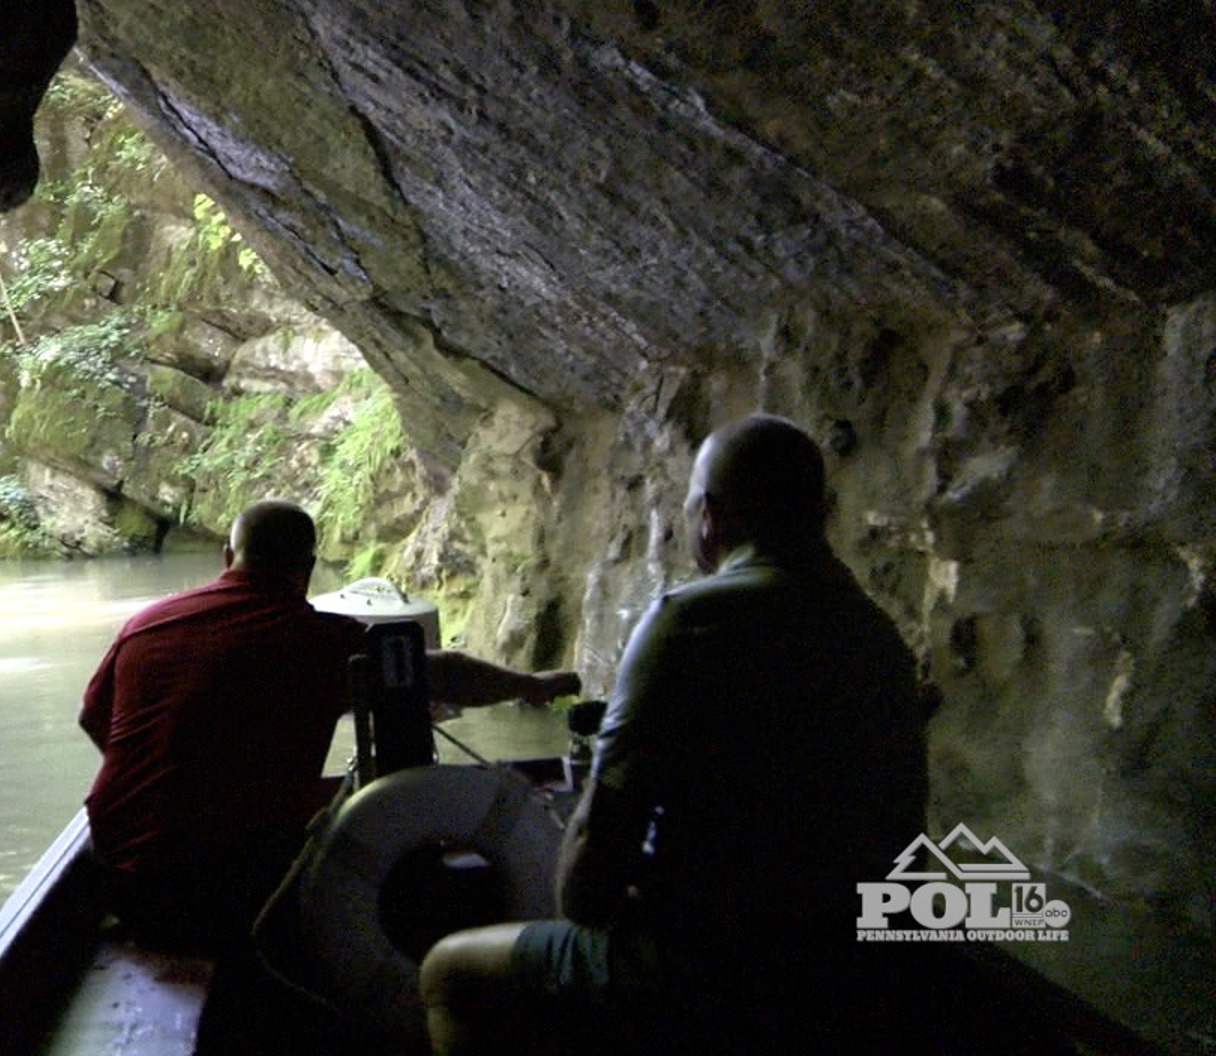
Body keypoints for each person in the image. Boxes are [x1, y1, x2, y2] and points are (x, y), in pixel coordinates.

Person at [419, 414, 934, 1054]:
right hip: (847, 966)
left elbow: (589, 878)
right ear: (822, 512)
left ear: (711, 517)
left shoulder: (689, 620)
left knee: (448, 971)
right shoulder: (877, 635)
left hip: (711, 969)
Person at [79, 498, 581, 954]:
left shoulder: (145, 624)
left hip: (116, 873)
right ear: (308, 570)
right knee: (404, 872)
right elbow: (443, 672)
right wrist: (530, 684)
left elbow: (96, 722)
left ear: (227, 559)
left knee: (329, 807)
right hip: (221, 886)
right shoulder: (321, 640)